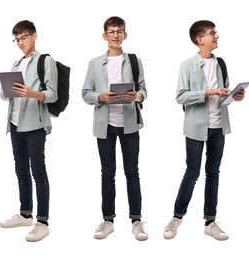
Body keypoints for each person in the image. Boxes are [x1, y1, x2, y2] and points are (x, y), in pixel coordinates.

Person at [163, 20, 245, 241]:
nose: (216, 36)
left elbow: (224, 95)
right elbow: (180, 96)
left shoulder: (221, 64)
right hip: (195, 127)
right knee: (192, 173)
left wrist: (234, 96)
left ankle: (210, 222)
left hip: (219, 126)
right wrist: (208, 92)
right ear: (200, 40)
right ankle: (176, 218)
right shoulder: (187, 65)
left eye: (215, 32)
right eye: (211, 33)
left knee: (213, 174)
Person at [82, 16, 148, 241]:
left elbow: (144, 91)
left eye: (119, 31)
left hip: (129, 124)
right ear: (105, 36)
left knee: (132, 173)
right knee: (107, 174)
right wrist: (100, 96)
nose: (116, 35)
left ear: (125, 35)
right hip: (105, 125)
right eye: (111, 31)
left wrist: (137, 96)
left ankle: (137, 220)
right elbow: (85, 94)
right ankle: (108, 220)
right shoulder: (94, 64)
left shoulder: (134, 61)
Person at [0, 20, 58, 242]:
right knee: (20, 170)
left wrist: (31, 92)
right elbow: (5, 95)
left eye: (24, 37)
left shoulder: (45, 61)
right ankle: (25, 213)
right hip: (14, 124)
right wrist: (8, 91)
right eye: (17, 39)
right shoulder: (16, 64)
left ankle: (42, 221)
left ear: (34, 36)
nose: (20, 42)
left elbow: (52, 94)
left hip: (35, 124)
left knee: (38, 172)